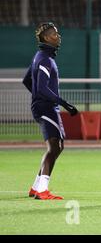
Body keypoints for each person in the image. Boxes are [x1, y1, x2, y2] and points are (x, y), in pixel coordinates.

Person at [22, 22, 79, 200]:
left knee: (56, 146)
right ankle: (42, 190)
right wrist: (64, 103)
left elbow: (26, 80)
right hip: (47, 108)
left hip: (43, 106)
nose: (58, 36)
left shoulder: (39, 56)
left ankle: (35, 187)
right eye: (54, 34)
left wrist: (38, 96)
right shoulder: (45, 60)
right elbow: (42, 88)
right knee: (56, 146)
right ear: (46, 38)